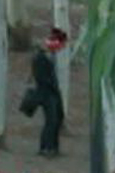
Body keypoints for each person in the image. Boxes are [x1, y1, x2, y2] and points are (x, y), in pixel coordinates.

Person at [29, 28, 67, 157]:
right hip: (46, 93)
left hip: (53, 93)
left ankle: (53, 146)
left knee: (56, 120)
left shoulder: (50, 55)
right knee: (51, 121)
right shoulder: (40, 57)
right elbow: (41, 77)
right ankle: (46, 147)